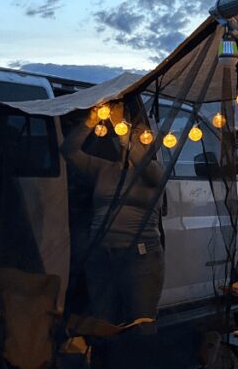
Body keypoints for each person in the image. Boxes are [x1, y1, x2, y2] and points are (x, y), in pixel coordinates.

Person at [62, 111, 166, 326]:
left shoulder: (154, 171)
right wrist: (90, 119)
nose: (136, 136)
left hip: (140, 257)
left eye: (141, 134)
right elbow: (68, 151)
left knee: (141, 321)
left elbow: (143, 164)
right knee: (103, 322)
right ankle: (105, 358)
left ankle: (138, 358)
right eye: (132, 132)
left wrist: (121, 125)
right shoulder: (104, 170)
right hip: (101, 255)